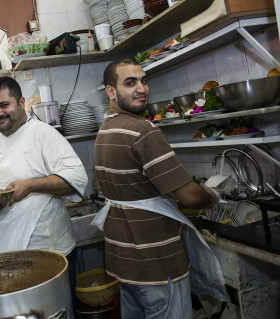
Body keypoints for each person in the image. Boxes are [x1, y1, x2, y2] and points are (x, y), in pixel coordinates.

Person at [93, 58, 228, 318]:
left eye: (144, 80)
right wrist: (211, 196)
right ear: (111, 92)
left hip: (125, 263)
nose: (141, 88)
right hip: (155, 264)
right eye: (130, 83)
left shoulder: (106, 129)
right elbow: (189, 196)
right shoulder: (143, 131)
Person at [0, 76, 88, 304]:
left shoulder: (43, 134)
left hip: (45, 254)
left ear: (21, 103)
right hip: (2, 256)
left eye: (4, 105)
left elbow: (77, 179)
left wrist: (31, 184)